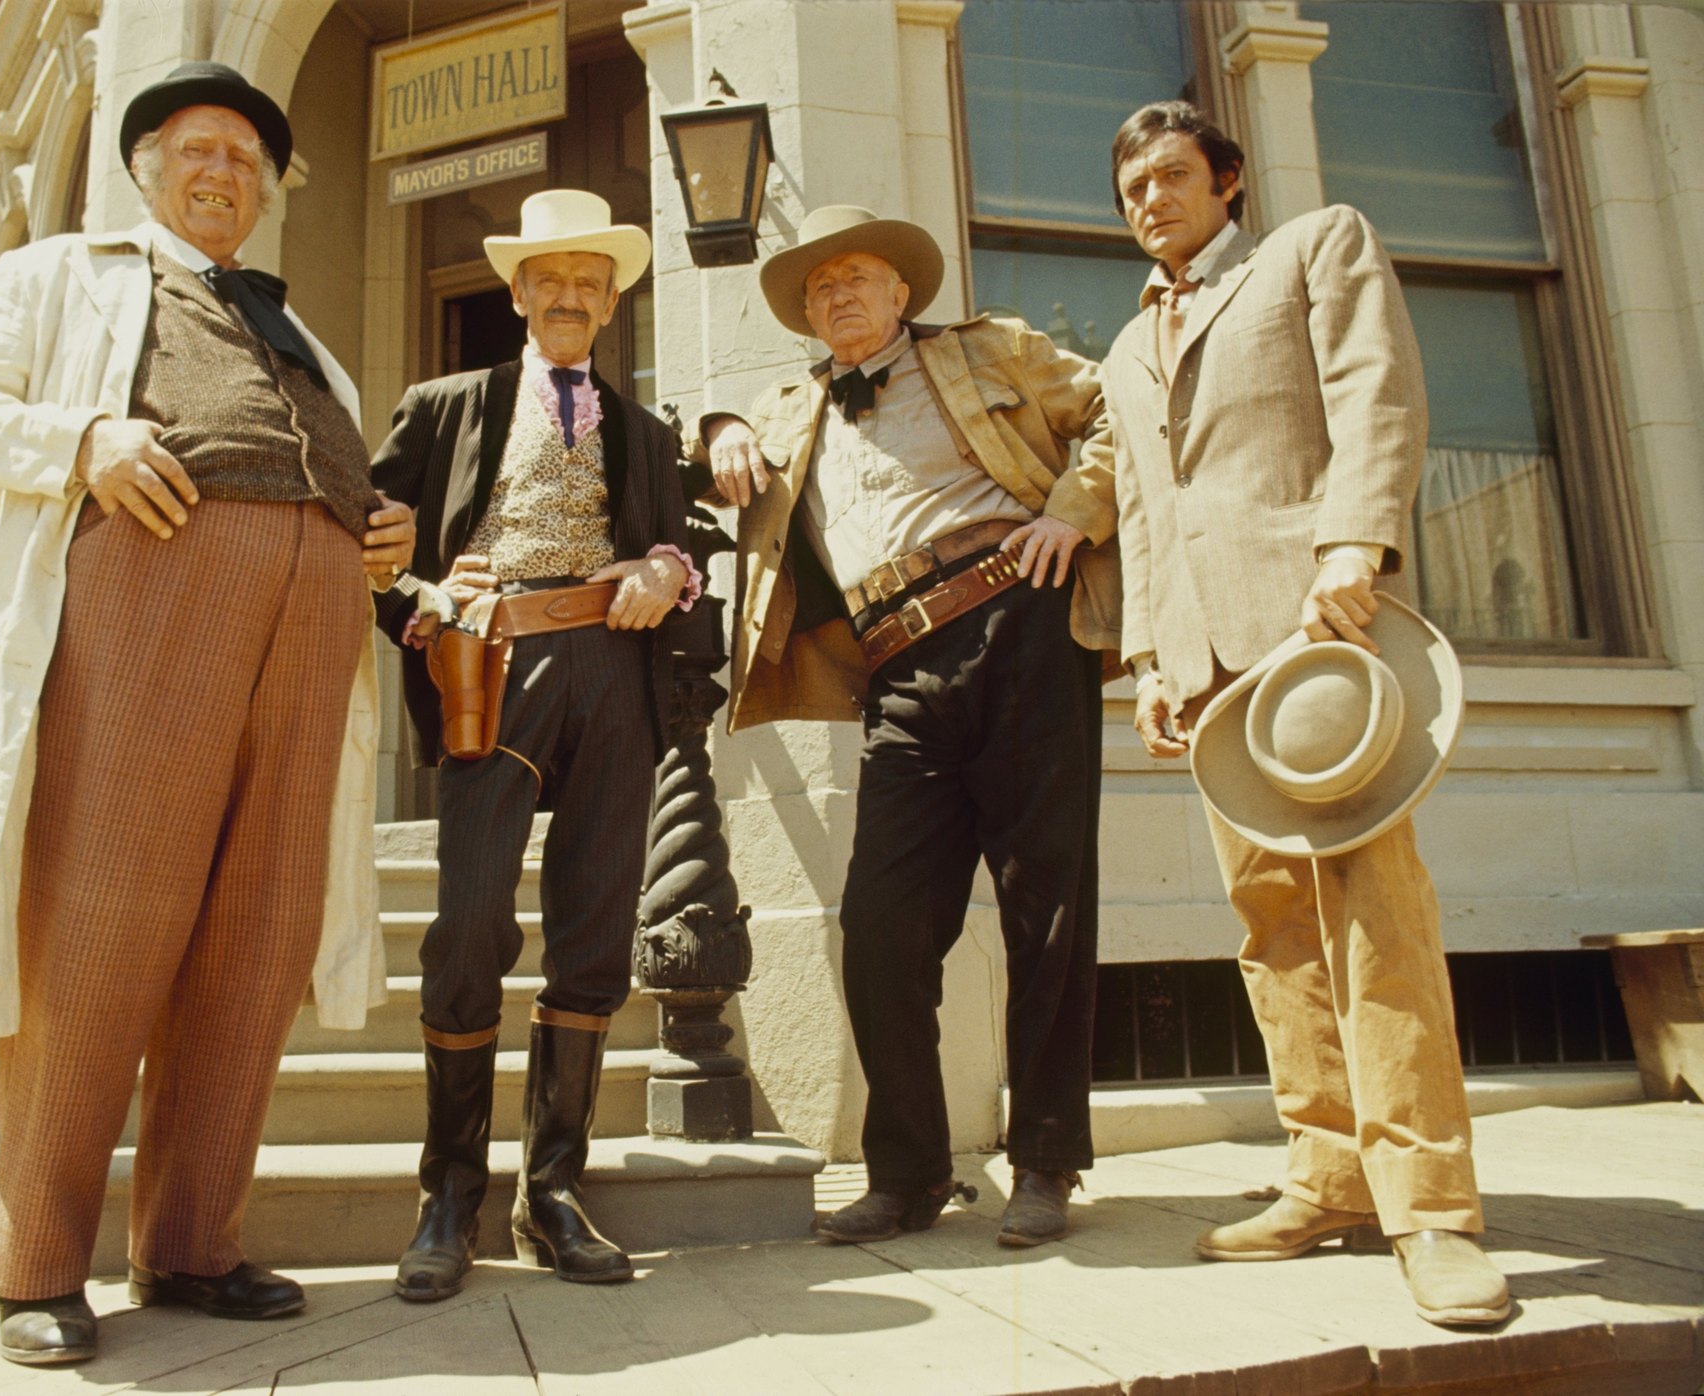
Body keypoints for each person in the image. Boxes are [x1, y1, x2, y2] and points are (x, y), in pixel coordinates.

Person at [0, 62, 416, 1365]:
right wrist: (81, 442)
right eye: (198, 148)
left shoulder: (308, 344)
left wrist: (382, 531)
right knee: (98, 917)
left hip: (308, 635)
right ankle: (37, 1266)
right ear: (144, 169)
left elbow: (336, 477)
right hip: (144, 599)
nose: (223, 172)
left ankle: (193, 1242)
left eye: (247, 160)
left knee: (260, 929)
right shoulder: (59, 276)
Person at [1100, 99, 1510, 1327]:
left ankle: (1429, 1210)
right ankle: (1327, 1173)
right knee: (1269, 919)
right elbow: (1138, 507)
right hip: (1211, 666)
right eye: (1131, 189)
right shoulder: (1124, 349)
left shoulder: (1311, 245)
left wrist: (1352, 546)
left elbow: (1374, 390)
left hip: (1317, 630)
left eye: (1173, 176)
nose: (1152, 202)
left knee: (1373, 911)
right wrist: (1149, 656)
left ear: (1226, 181)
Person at [697, 205, 1116, 1248]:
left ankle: (1045, 1164)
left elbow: (1116, 411)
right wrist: (719, 427)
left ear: (900, 293)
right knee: (880, 930)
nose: (834, 295)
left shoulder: (990, 349)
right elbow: (681, 444)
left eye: (855, 277)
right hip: (895, 671)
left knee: (1045, 915)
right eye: (816, 287)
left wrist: (1076, 507)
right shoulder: (790, 407)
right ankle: (908, 1173)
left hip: (1018, 624)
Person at [371, 189, 695, 1300]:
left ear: (610, 303)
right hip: (491, 665)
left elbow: (677, 550)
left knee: (595, 926)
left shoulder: (646, 433)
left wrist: (664, 573)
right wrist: (424, 593)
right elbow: (362, 539)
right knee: (465, 923)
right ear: (516, 293)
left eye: (589, 283)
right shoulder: (444, 404)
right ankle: (448, 1194)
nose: (569, 297)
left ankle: (550, 1191)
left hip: (612, 668)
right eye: (549, 280)